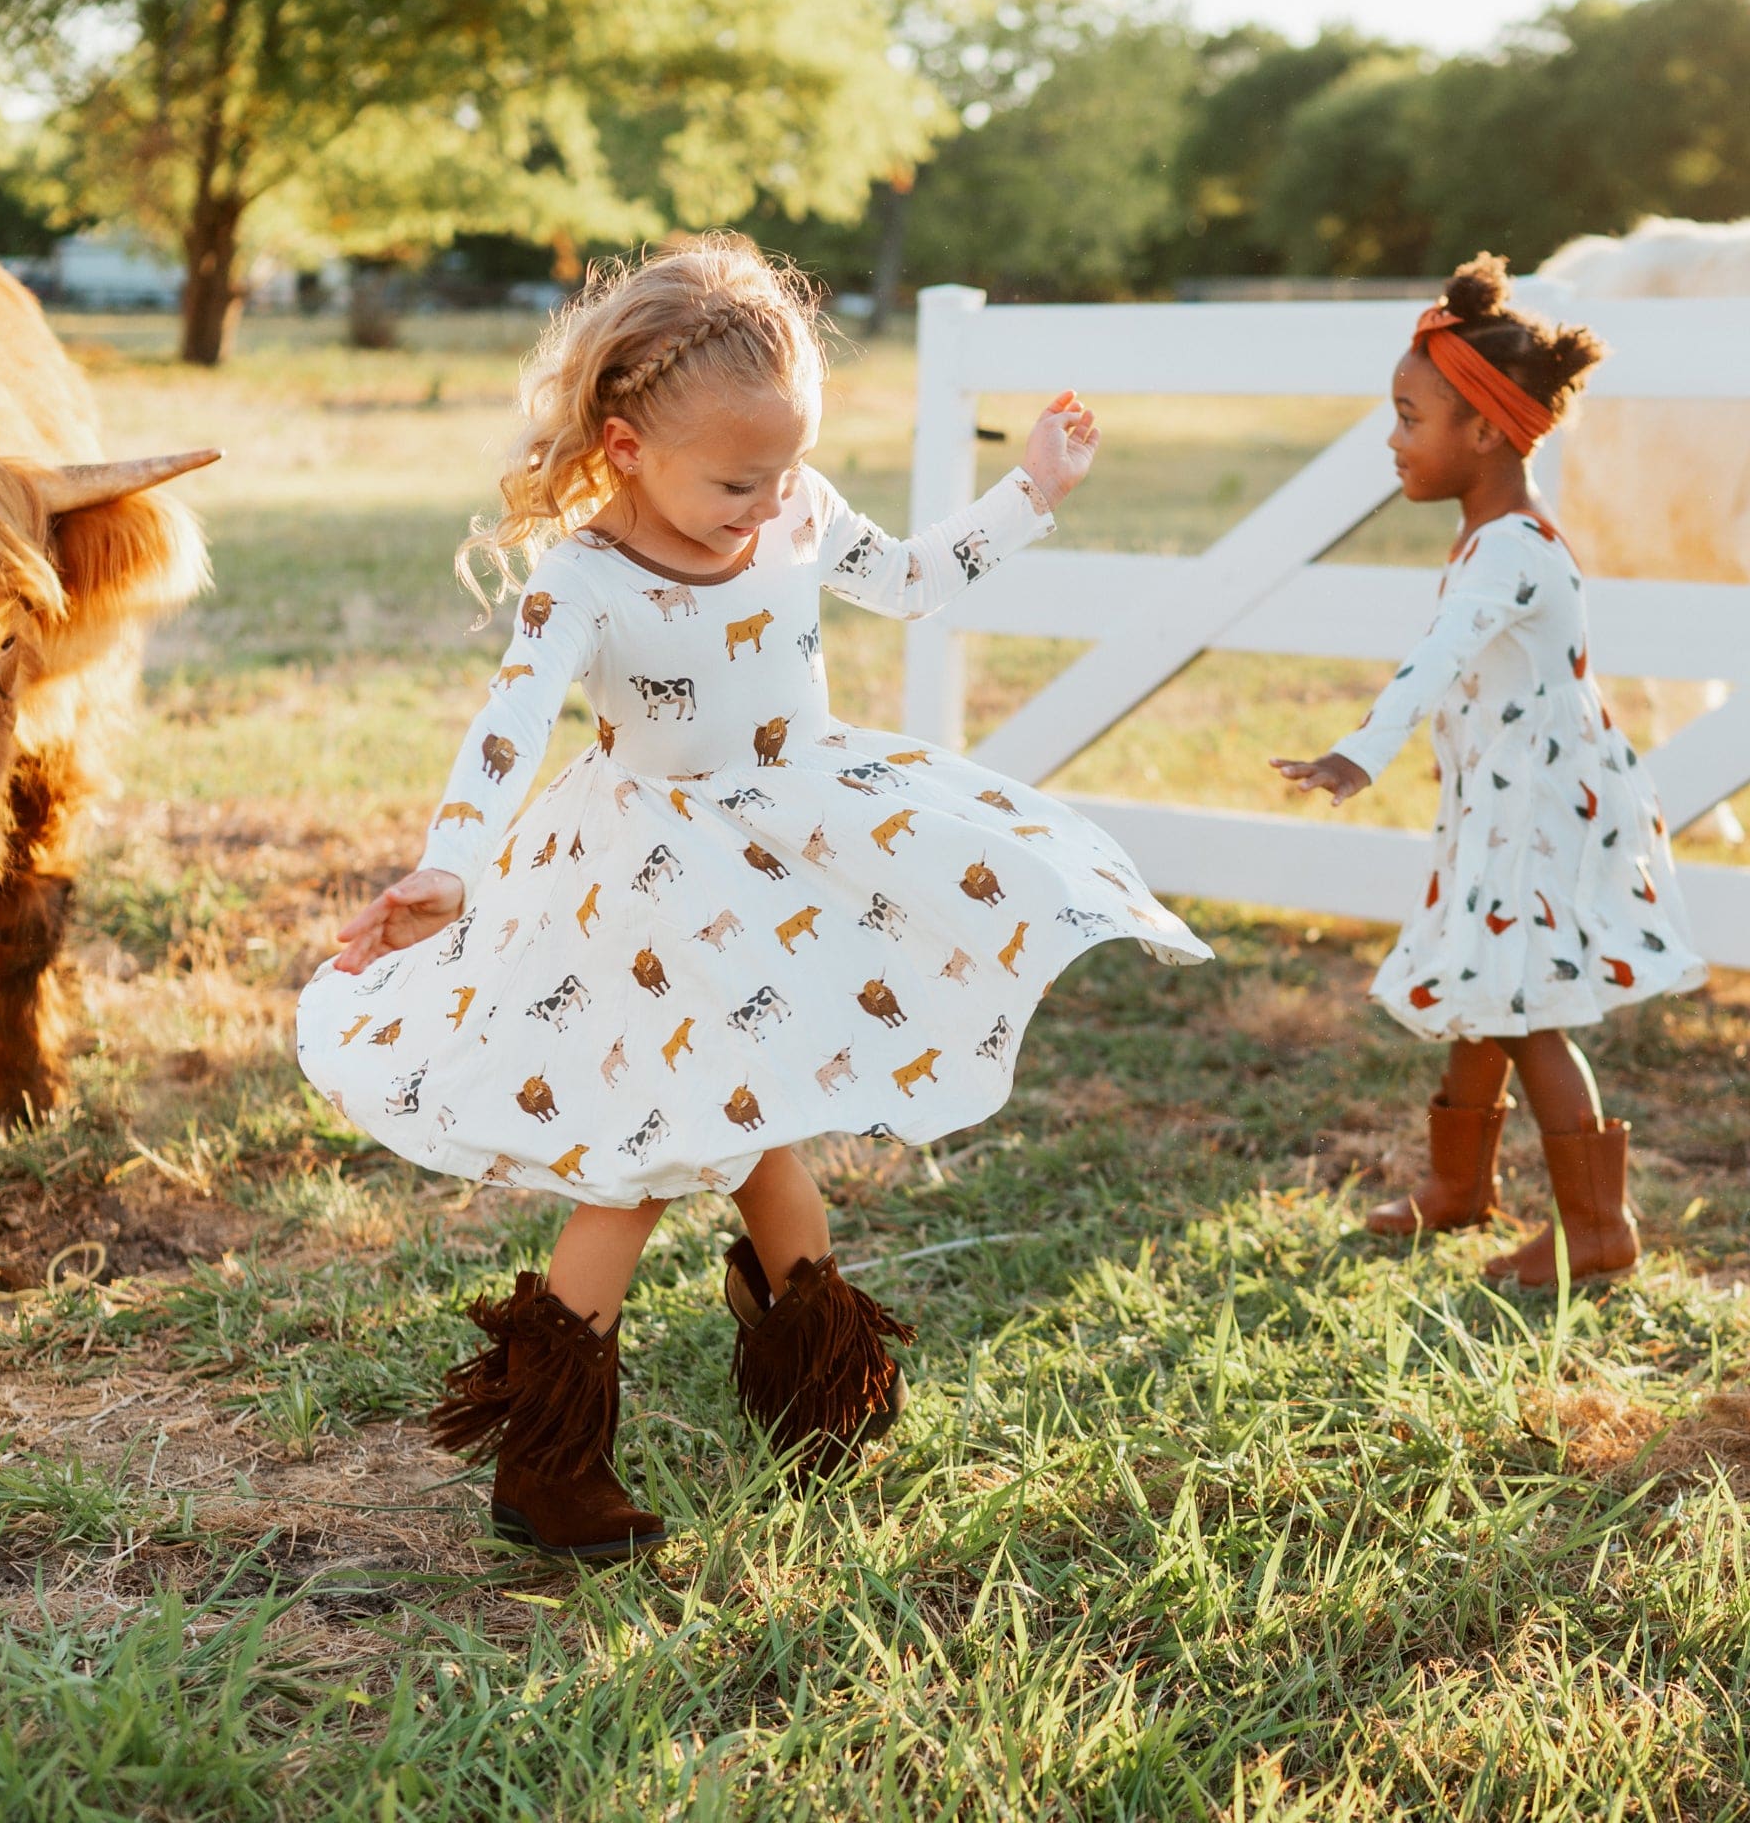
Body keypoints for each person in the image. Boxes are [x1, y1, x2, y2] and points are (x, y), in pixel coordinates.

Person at [298, 233, 1211, 1559]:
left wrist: (1033, 491)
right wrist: (449, 862)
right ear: (622, 448)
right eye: (736, 478)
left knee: (764, 1110)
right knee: (642, 1161)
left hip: (794, 845)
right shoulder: (584, 581)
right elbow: (507, 729)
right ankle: (546, 1462)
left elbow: (906, 579)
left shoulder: (790, 507)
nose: (768, 500)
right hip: (649, 888)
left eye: (784, 467)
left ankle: (819, 1388)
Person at [1274, 254, 1705, 1288]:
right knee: (1482, 983)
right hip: (1504, 803)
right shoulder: (1491, 536)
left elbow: (1433, 662)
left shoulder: (1508, 549)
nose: (1392, 436)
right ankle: (1459, 1186)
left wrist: (1356, 753)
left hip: (1535, 815)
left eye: (1408, 415)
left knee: (1522, 1011)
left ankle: (1596, 1231)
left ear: (1482, 429)